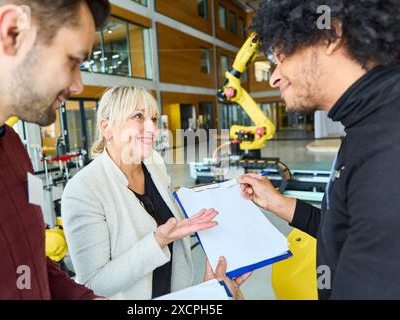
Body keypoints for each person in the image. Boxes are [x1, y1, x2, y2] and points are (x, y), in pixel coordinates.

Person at [239, 0, 400, 299]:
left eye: (282, 55)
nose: (274, 77)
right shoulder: (367, 125)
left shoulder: (388, 149)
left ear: (332, 34)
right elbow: (344, 230)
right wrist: (278, 203)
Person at [0, 0, 111, 300]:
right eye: (74, 61)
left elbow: (28, 263)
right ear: (12, 32)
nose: (78, 86)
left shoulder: (11, 147)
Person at [62, 86, 251, 299]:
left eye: (153, 118)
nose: (153, 129)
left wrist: (226, 192)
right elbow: (94, 286)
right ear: (107, 128)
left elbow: (169, 201)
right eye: (138, 117)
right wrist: (158, 241)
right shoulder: (84, 190)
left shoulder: (153, 162)